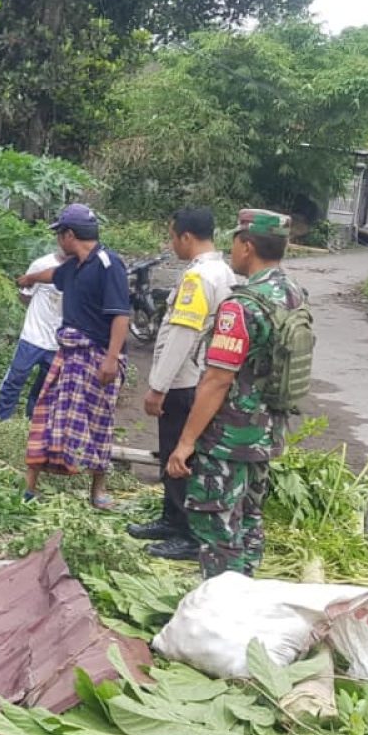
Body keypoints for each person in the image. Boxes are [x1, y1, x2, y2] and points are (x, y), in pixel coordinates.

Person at [167, 209, 310, 578]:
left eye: (234, 243)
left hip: (229, 437)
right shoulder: (293, 293)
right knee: (248, 518)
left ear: (247, 246)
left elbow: (217, 379)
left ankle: (222, 598)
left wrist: (186, 442)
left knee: (217, 524)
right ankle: (244, 588)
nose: (231, 251)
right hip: (267, 431)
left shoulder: (241, 306)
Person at [127, 207, 240, 561]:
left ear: (186, 237)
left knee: (179, 454)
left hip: (183, 381)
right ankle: (171, 519)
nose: (171, 243)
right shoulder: (222, 271)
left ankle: (187, 534)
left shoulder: (198, 277)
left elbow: (182, 335)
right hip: (195, 376)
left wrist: (158, 386)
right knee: (173, 451)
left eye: (172, 236)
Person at [17, 203, 131, 509]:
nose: (58, 241)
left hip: (97, 357)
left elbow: (121, 315)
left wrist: (111, 359)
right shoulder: (74, 266)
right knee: (46, 414)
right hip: (68, 354)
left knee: (97, 422)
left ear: (69, 235)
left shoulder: (108, 264)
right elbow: (53, 275)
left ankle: (98, 491)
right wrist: (29, 279)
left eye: (59, 235)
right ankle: (29, 487)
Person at [0, 250, 65, 424]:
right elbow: (25, 295)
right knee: (14, 381)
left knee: (47, 388)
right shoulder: (41, 265)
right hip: (33, 337)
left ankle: (33, 425)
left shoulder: (82, 268)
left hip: (59, 342)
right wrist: (41, 312)